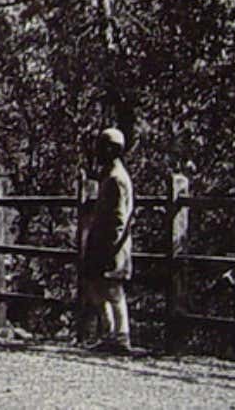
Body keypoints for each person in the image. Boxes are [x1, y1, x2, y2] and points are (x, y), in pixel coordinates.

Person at [80, 127, 134, 355]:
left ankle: (121, 337)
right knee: (97, 286)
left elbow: (119, 218)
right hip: (104, 242)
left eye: (102, 147)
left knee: (112, 289)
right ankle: (109, 334)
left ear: (112, 149)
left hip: (111, 244)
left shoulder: (115, 179)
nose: (98, 151)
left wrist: (109, 246)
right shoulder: (109, 175)